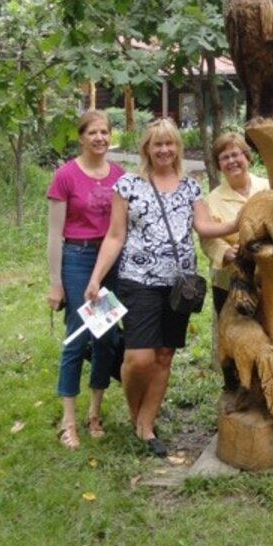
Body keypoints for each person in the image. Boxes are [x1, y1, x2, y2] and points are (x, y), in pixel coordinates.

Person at [84, 118, 238, 458]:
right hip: (138, 281)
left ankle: (146, 424)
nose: (164, 150)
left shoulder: (190, 187)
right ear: (146, 149)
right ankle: (134, 411)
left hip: (179, 285)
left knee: (164, 355)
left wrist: (240, 222)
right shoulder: (128, 186)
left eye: (170, 144)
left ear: (177, 148)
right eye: (158, 144)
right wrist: (96, 279)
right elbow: (115, 235)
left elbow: (204, 226)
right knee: (139, 357)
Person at [47, 109, 124, 450]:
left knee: (105, 337)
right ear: (81, 137)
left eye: (104, 132)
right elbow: (53, 234)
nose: (99, 139)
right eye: (92, 133)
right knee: (78, 335)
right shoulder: (65, 176)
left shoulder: (119, 176)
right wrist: (55, 282)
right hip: (77, 260)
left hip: (110, 262)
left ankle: (94, 412)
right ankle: (67, 420)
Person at [200, 132, 269, 316]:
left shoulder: (268, 188)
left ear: (247, 157)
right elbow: (207, 239)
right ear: (219, 165)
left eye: (236, 154)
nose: (231, 161)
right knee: (236, 339)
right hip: (229, 283)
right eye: (224, 157)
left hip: (269, 278)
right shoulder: (211, 200)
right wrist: (225, 252)